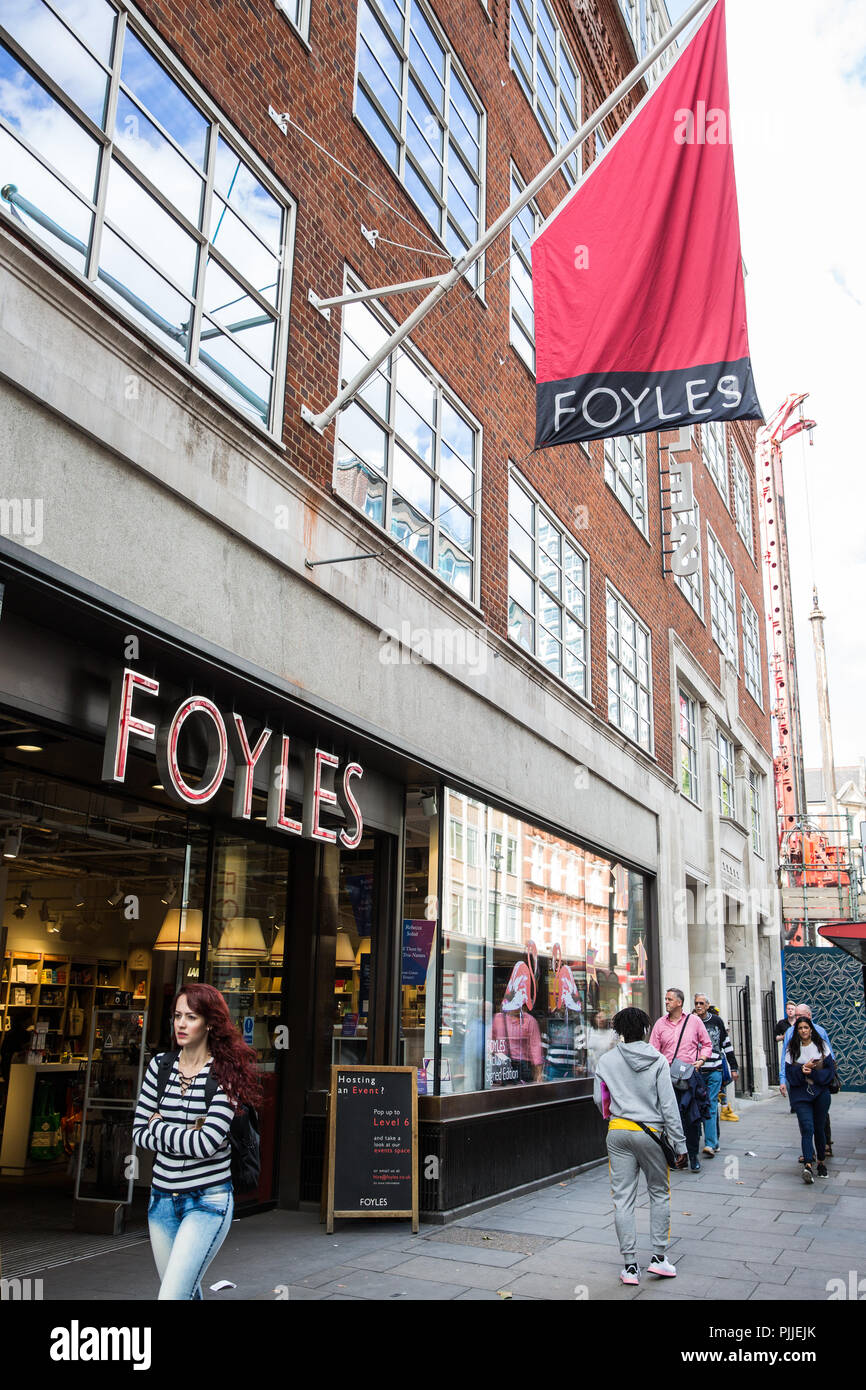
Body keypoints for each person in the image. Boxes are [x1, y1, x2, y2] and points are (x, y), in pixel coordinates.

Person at [132, 983, 261, 1300]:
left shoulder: (225, 1074)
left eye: (190, 1016)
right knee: (185, 1294)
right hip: (161, 1201)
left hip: (208, 1201)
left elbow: (205, 1144)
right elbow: (138, 1131)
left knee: (171, 1296)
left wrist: (159, 1124)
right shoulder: (159, 1067)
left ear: (209, 1023)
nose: (181, 1024)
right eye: (177, 1016)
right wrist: (181, 1133)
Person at [594, 1006, 687, 1286]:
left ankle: (630, 1266)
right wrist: (679, 1143)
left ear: (620, 1032)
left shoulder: (606, 1061)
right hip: (651, 1133)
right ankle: (658, 1258)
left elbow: (599, 1100)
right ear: (646, 1030)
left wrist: (614, 1115)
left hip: (619, 1131)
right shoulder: (658, 1060)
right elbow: (669, 1106)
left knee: (623, 1198)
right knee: (659, 1192)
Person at [648, 988, 712, 1171]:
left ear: (679, 1003)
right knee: (671, 1119)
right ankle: (677, 1154)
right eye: (665, 999)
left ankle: (693, 1155)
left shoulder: (694, 1021)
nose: (666, 1002)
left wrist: (701, 1059)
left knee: (691, 1119)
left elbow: (707, 1044)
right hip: (667, 1079)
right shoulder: (660, 1024)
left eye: (669, 999)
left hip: (690, 1078)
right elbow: (653, 1052)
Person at [784, 1017, 836, 1183]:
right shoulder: (791, 1049)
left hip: (820, 1093)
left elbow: (829, 1073)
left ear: (811, 1029)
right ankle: (808, 1164)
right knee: (807, 1127)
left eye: (806, 1027)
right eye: (800, 1028)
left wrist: (812, 1072)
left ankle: (820, 1161)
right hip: (800, 1094)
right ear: (797, 1031)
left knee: (819, 1128)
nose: (803, 1030)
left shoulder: (821, 1046)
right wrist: (802, 1070)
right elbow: (790, 1075)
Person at [693, 994, 738, 1157]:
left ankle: (710, 1144)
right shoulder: (691, 1021)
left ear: (707, 1005)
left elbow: (726, 1045)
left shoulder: (716, 1021)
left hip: (715, 1069)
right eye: (696, 1003)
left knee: (710, 1104)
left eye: (701, 1003)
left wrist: (734, 1067)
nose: (698, 1006)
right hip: (698, 1071)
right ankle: (715, 1140)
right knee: (703, 1106)